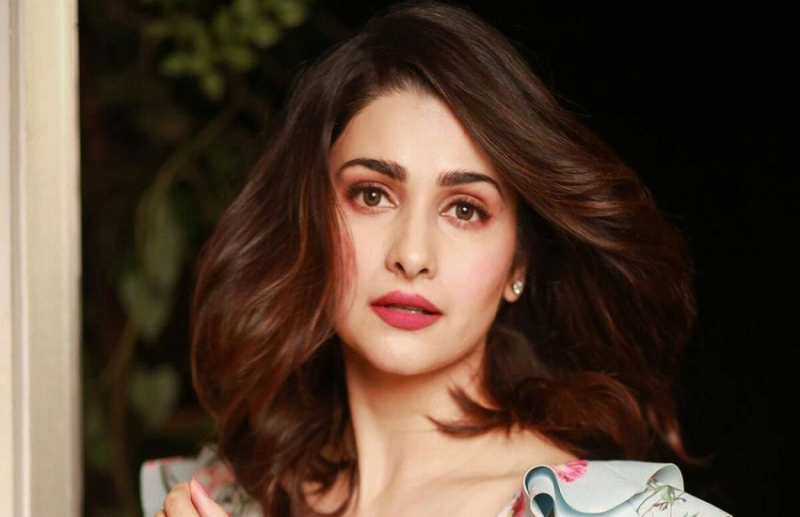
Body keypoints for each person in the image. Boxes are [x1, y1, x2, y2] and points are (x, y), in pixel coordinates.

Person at [140, 1, 733, 516]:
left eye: (465, 209)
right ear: (309, 223)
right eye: (372, 195)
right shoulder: (225, 498)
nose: (413, 255)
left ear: (519, 264)